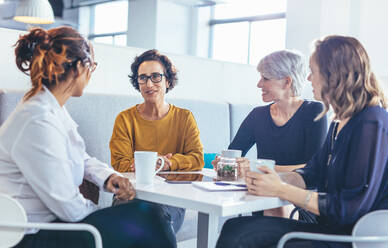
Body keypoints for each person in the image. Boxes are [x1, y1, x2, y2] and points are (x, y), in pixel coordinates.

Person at [0, 27, 176, 248]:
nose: (91, 73)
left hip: (57, 223)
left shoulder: (50, 107)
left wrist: (108, 177)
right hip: (34, 235)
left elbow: (78, 156)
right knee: (149, 217)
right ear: (79, 68)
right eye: (91, 66)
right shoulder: (37, 119)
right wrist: (103, 214)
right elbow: (67, 205)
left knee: (151, 216)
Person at [216, 35, 388, 248]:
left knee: (242, 238)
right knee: (234, 229)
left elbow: (347, 209)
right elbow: (312, 173)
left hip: (350, 238)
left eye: (313, 71)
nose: (308, 79)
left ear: (333, 75)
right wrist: (266, 177)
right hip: (329, 227)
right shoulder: (339, 122)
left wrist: (280, 189)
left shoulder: (371, 122)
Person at [214, 50, 328, 218]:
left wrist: (258, 167)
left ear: (287, 82)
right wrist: (225, 163)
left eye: (265, 78)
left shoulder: (314, 112)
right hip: (264, 197)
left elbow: (312, 169)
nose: (259, 84)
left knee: (275, 211)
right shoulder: (257, 115)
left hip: (300, 201)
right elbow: (233, 153)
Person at [109, 49, 204, 234]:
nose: (149, 84)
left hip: (171, 200)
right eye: (142, 78)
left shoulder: (184, 117)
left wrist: (168, 163)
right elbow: (119, 163)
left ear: (167, 81)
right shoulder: (125, 119)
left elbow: (197, 158)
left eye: (155, 77)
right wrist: (142, 165)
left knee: (155, 220)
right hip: (131, 195)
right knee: (127, 219)